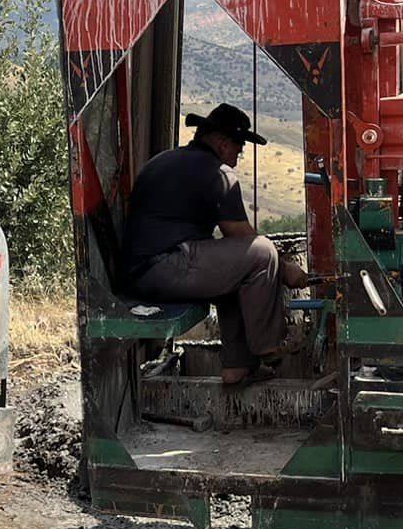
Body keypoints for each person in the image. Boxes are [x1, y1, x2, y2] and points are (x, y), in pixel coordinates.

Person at [121, 102, 311, 386]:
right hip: (164, 266)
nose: (239, 156)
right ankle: (270, 346)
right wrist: (285, 270)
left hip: (138, 274)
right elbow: (241, 236)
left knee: (234, 275)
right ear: (222, 143)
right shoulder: (218, 172)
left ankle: (236, 367)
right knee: (261, 253)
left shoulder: (164, 160)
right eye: (239, 147)